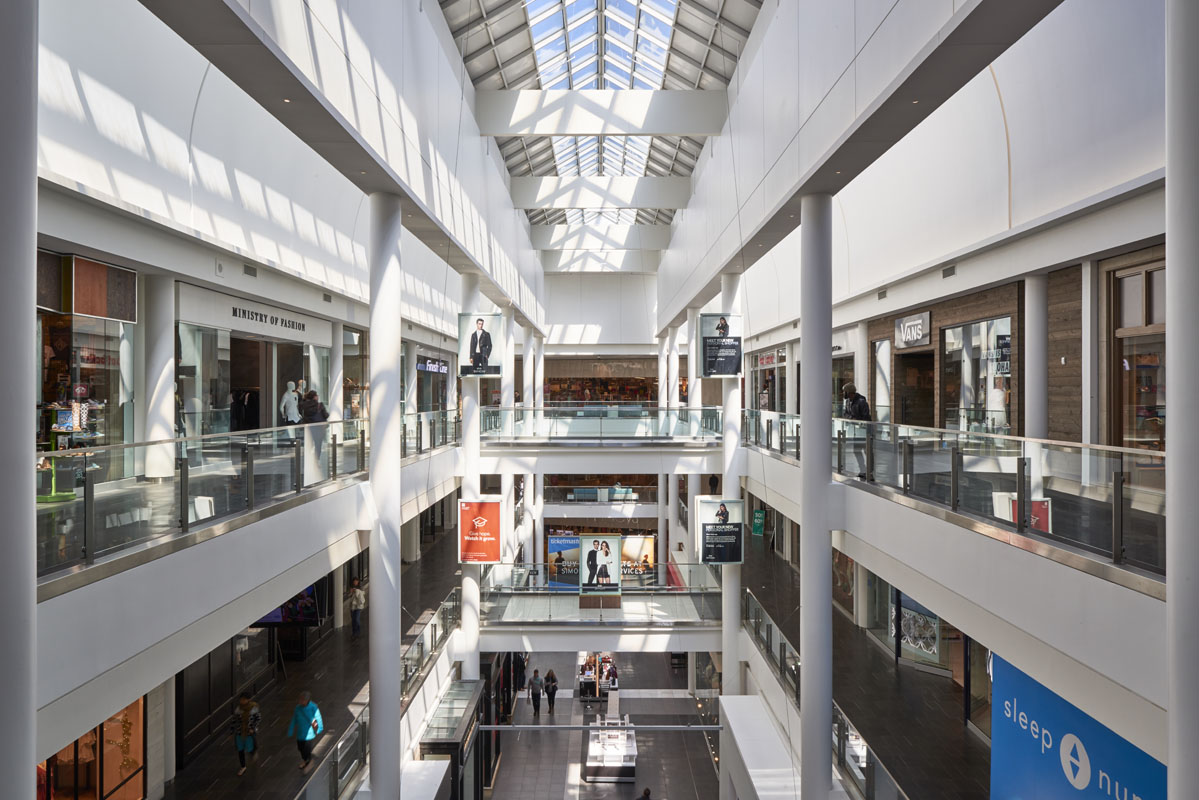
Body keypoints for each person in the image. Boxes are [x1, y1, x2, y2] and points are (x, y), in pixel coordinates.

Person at [287, 691, 324, 770]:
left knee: (307, 749)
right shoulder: (298, 708)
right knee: (300, 748)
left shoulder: (313, 707)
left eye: (301, 700)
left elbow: (318, 717)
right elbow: (294, 719)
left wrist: (320, 728)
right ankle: (306, 760)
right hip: (300, 734)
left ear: (306, 700)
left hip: (309, 734)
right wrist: (291, 729)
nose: (299, 701)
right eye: (299, 699)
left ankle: (307, 761)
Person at [841, 382, 871, 479]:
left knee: (867, 452)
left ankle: (869, 472)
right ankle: (862, 470)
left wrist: (857, 420)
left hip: (864, 431)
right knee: (856, 451)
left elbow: (866, 417)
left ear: (849, 392)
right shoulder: (848, 402)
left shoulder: (861, 401)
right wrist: (851, 418)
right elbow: (845, 414)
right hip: (855, 431)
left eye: (845, 392)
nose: (843, 394)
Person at [229, 692, 260, 776]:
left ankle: (253, 753)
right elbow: (234, 721)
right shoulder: (238, 709)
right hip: (240, 732)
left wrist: (252, 728)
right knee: (240, 749)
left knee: (249, 748)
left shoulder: (253, 708)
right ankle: (243, 766)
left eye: (244, 699)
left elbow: (257, 719)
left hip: (249, 733)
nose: (242, 701)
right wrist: (231, 731)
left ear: (248, 700)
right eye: (241, 699)